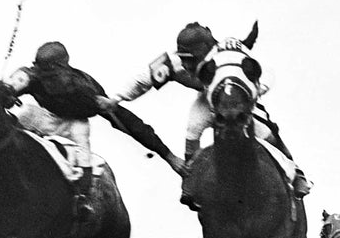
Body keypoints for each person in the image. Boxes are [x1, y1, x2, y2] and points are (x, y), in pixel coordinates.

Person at [101, 22, 311, 197]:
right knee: (193, 128)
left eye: (190, 58)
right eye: (183, 57)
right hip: (207, 98)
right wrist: (117, 98)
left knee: (265, 132)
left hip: (236, 99)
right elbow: (143, 79)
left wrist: (251, 94)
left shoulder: (230, 53)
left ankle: (296, 172)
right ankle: (191, 180)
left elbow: (266, 73)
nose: (186, 64)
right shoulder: (173, 62)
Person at [2, 41, 185, 219]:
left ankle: (82, 197)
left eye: (50, 72)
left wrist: (168, 155)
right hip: (46, 117)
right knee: (22, 112)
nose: (46, 76)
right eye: (42, 70)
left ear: (63, 67)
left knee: (82, 143)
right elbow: (7, 88)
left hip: (74, 123)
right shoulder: (29, 76)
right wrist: (5, 93)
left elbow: (130, 123)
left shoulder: (85, 89)